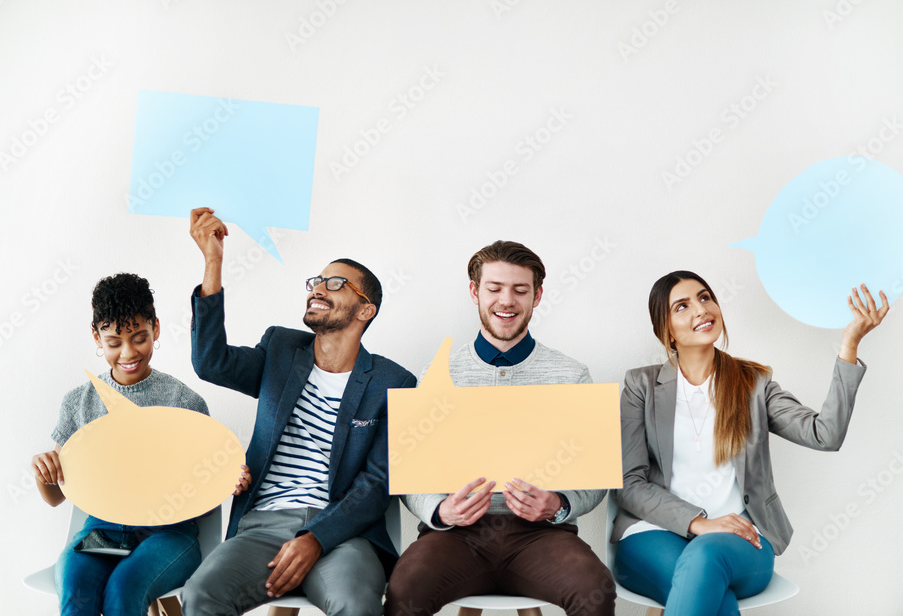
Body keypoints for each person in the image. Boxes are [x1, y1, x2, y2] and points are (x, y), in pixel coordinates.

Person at [182, 207, 417, 616]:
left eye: (336, 283)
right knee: (201, 594)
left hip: (343, 533)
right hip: (262, 524)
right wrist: (213, 262)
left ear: (365, 310)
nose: (318, 288)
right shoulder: (279, 350)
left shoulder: (393, 383)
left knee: (356, 605)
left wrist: (316, 537)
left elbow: (377, 483)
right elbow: (211, 362)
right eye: (316, 281)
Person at [611, 271, 889, 615]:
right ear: (666, 330)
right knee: (715, 596)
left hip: (740, 540)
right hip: (653, 533)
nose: (701, 309)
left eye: (705, 297)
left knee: (705, 557)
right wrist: (698, 522)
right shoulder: (642, 386)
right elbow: (628, 484)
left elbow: (824, 434)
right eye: (682, 306)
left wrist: (849, 346)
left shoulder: (752, 383)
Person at [385, 240, 616, 616]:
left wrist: (559, 504)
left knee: (596, 589)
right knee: (405, 590)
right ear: (475, 292)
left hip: (541, 536)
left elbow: (594, 477)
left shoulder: (572, 375)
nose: (506, 301)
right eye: (494, 288)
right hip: (456, 537)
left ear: (537, 296)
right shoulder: (438, 375)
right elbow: (412, 475)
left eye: (520, 290)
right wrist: (441, 511)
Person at [31, 273, 230, 616]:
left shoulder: (184, 401)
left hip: (168, 533)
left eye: (140, 338)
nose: (128, 353)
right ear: (97, 337)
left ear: (156, 327)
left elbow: (206, 492)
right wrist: (43, 472)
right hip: (104, 529)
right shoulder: (79, 402)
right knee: (77, 589)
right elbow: (56, 498)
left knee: (125, 588)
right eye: (113, 342)